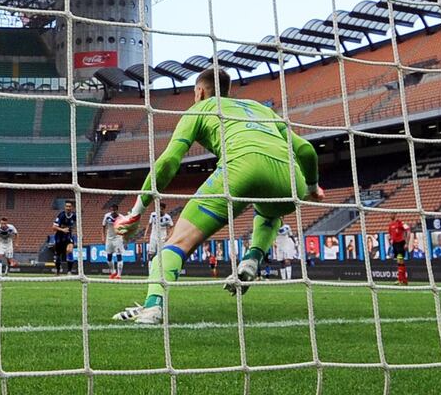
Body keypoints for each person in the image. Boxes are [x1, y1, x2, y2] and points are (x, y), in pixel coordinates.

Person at [111, 68, 323, 324]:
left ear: (199, 91)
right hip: (290, 179)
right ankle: (253, 258)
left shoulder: (199, 108)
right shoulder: (259, 108)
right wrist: (312, 187)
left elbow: (168, 162)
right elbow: (306, 150)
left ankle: (153, 306)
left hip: (240, 168)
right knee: (269, 210)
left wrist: (136, 211)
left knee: (175, 245)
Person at [144, 202, 174, 266]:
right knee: (151, 253)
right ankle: (150, 270)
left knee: (161, 254)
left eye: (161, 209)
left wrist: (168, 236)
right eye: (158, 208)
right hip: (153, 236)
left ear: (164, 209)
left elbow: (171, 227)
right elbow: (149, 224)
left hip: (162, 237)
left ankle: (160, 270)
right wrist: (146, 234)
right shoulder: (153, 215)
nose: (159, 210)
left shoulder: (167, 217)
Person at [52, 201, 77, 275]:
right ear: (65, 207)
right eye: (67, 206)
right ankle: (58, 271)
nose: (68, 208)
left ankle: (69, 271)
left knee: (70, 250)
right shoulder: (61, 215)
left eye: (69, 206)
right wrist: (63, 230)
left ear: (72, 207)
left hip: (68, 236)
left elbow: (77, 224)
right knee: (58, 255)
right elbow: (53, 227)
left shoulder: (74, 216)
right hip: (59, 237)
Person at [102, 205, 124, 279]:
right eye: (112, 210)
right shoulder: (107, 216)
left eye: (114, 210)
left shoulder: (121, 218)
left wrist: (124, 239)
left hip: (118, 238)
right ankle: (113, 272)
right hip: (109, 238)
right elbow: (103, 226)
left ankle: (119, 275)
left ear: (117, 210)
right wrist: (103, 237)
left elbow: (125, 228)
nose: (113, 212)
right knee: (109, 257)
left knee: (119, 256)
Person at [387, 214, 409, 285]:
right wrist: (390, 240)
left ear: (395, 214)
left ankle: (401, 280)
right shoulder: (390, 225)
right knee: (400, 262)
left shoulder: (400, 223)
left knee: (400, 260)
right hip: (395, 245)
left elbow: (408, 231)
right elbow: (390, 235)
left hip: (400, 243)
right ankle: (404, 280)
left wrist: (406, 243)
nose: (390, 215)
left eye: (391, 214)